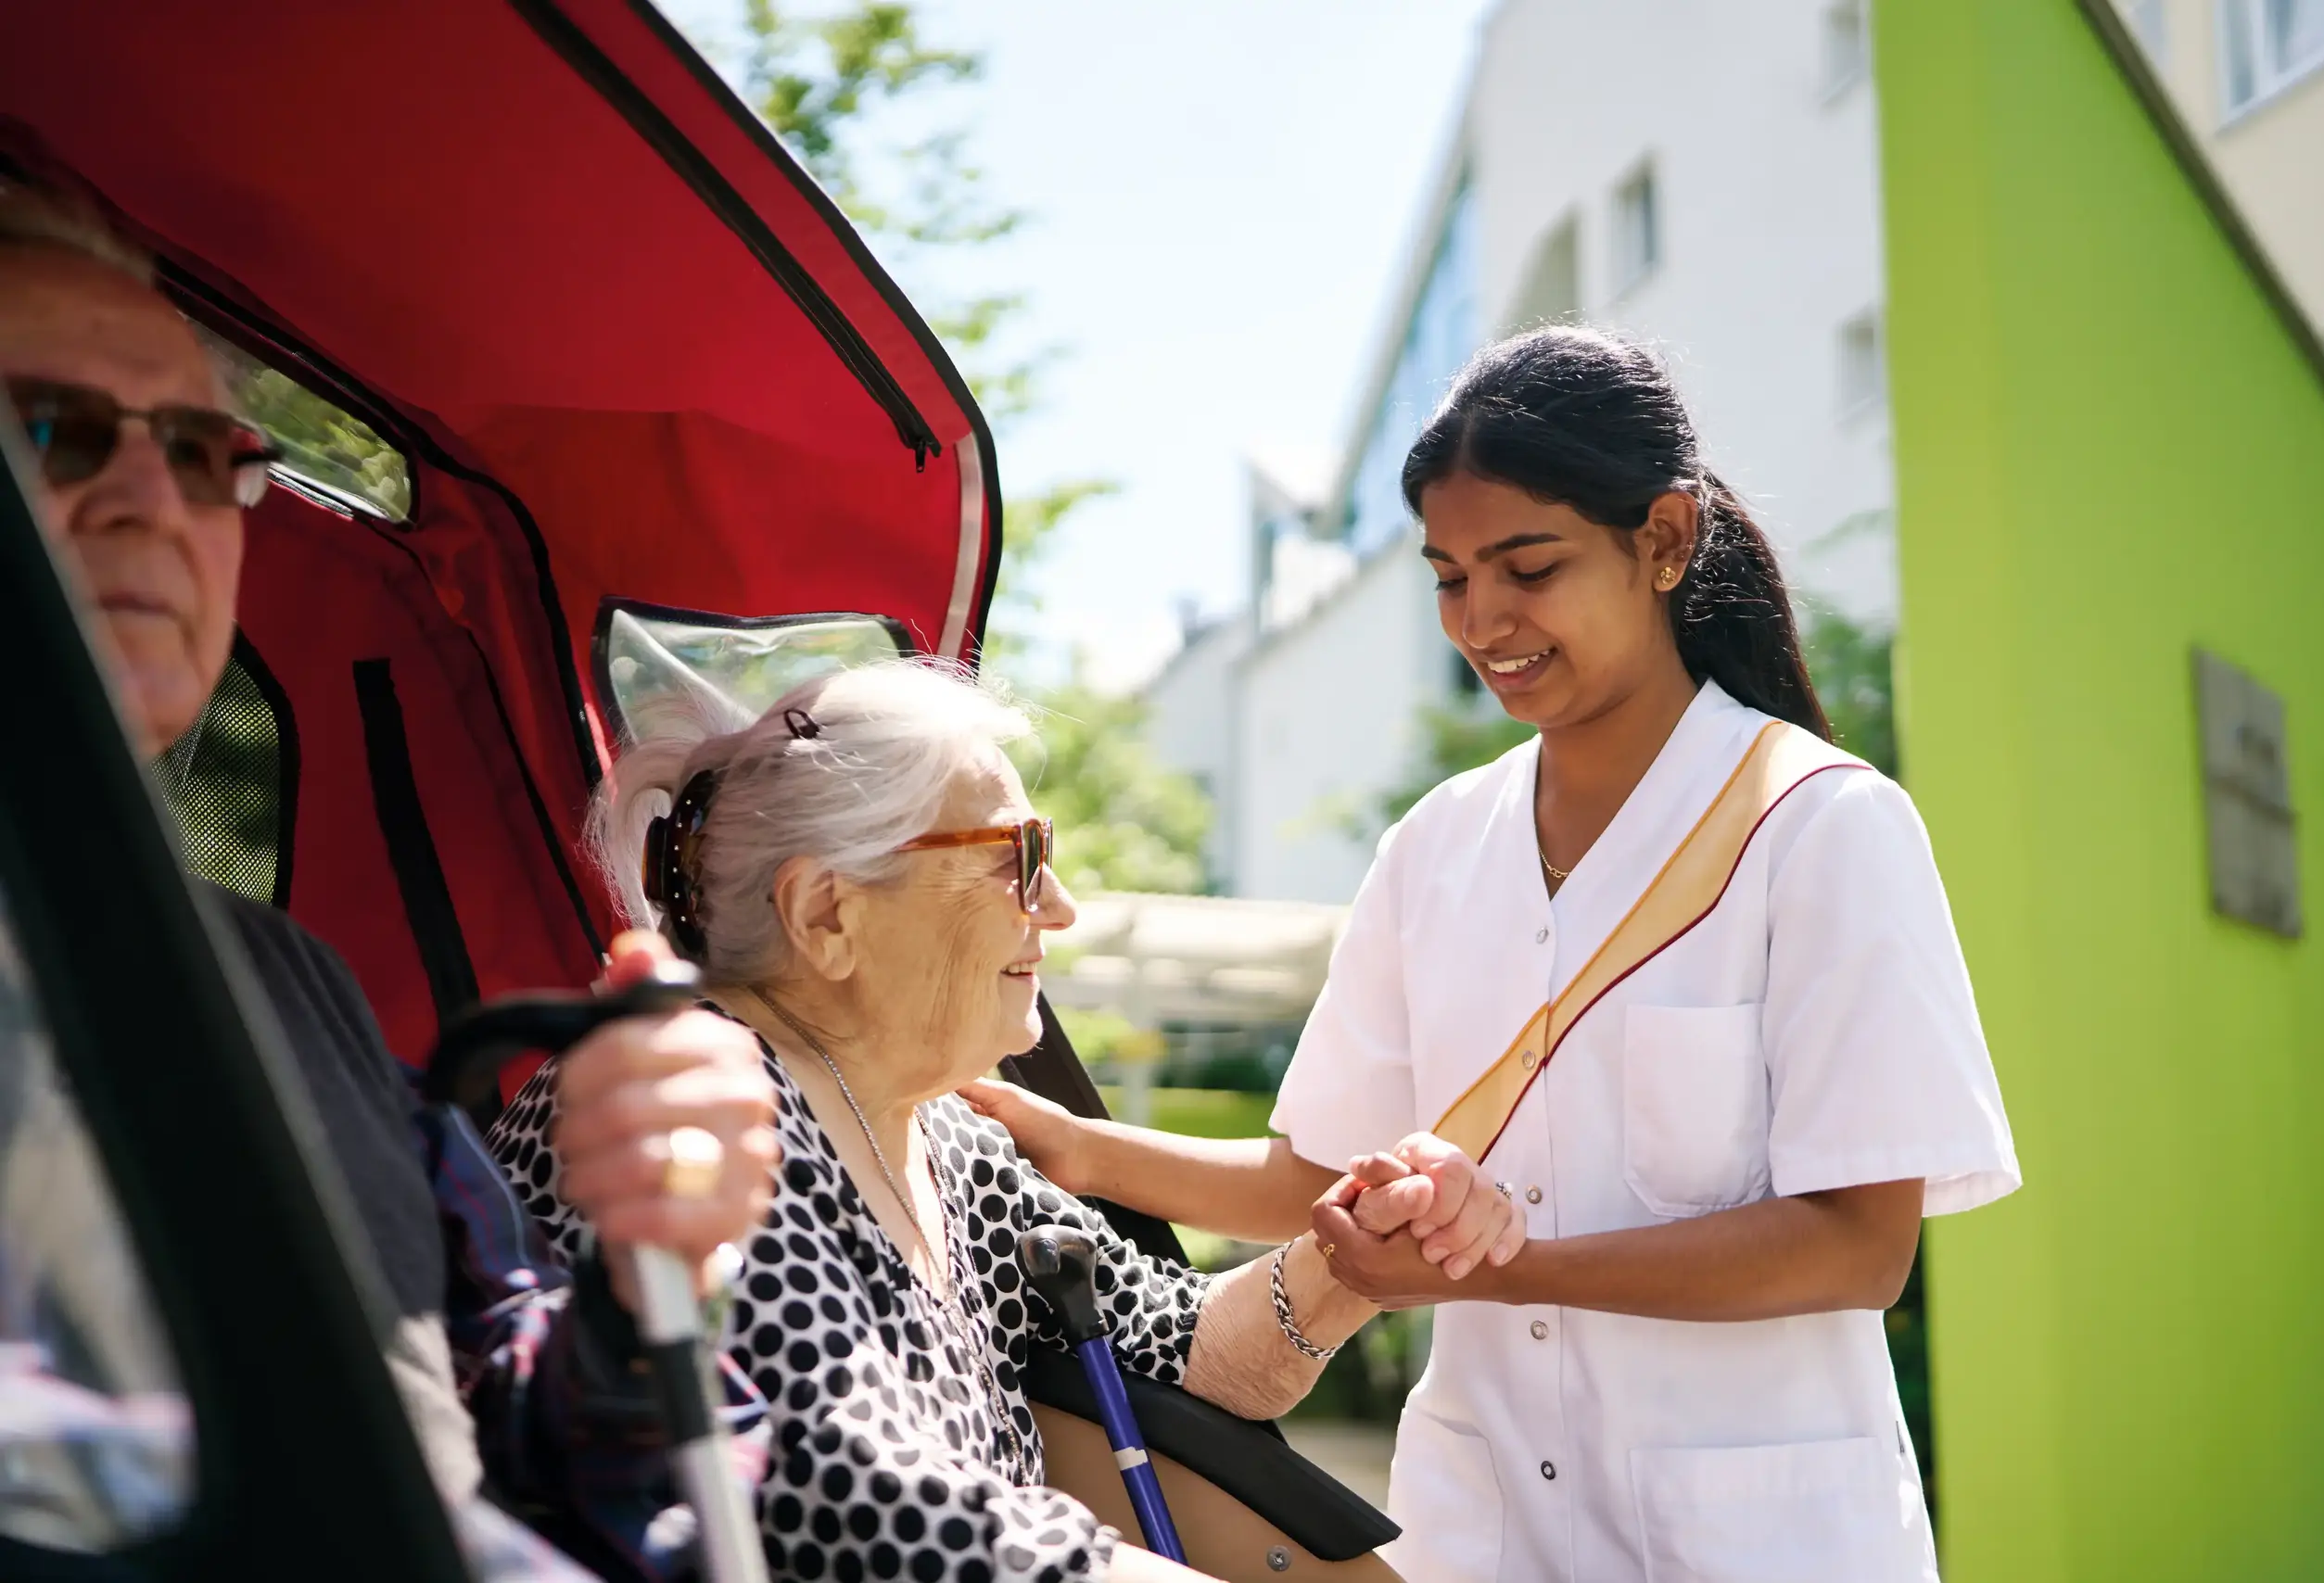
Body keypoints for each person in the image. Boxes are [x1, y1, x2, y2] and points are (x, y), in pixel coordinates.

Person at [974, 326, 2021, 1582]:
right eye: (1449, 577)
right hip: (1483, 1529)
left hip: (1757, 1540)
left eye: (1529, 567)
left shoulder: (1821, 826)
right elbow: (1311, 1173)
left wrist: (1505, 1268)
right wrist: (1076, 1148)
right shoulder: (1435, 846)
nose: (1482, 620)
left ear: (1664, 540)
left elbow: (1858, 1246)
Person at [0, 176, 782, 1580]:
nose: (152, 503)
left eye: (201, 454)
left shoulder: (285, 975)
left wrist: (646, 1286)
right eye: (50, 431)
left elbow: (505, 1410)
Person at [489, 661, 1522, 1583]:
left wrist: (1350, 1254)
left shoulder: (946, 1137)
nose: (1059, 905)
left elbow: (1185, 1349)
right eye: (1016, 855)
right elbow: (870, 1517)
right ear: (827, 914)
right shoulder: (692, 1108)